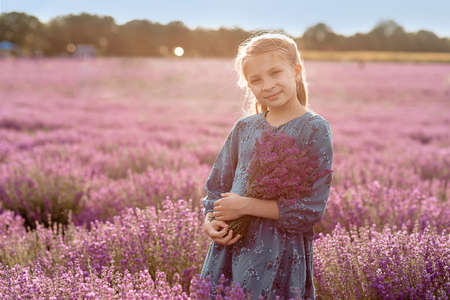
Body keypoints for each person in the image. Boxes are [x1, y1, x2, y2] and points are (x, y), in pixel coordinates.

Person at [200, 32, 333, 300]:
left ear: (296, 71)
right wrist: (210, 221)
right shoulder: (245, 128)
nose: (267, 85)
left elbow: (311, 208)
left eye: (275, 73)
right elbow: (216, 188)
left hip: (280, 257)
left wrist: (246, 205)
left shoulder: (314, 129)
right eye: (256, 80)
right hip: (229, 254)